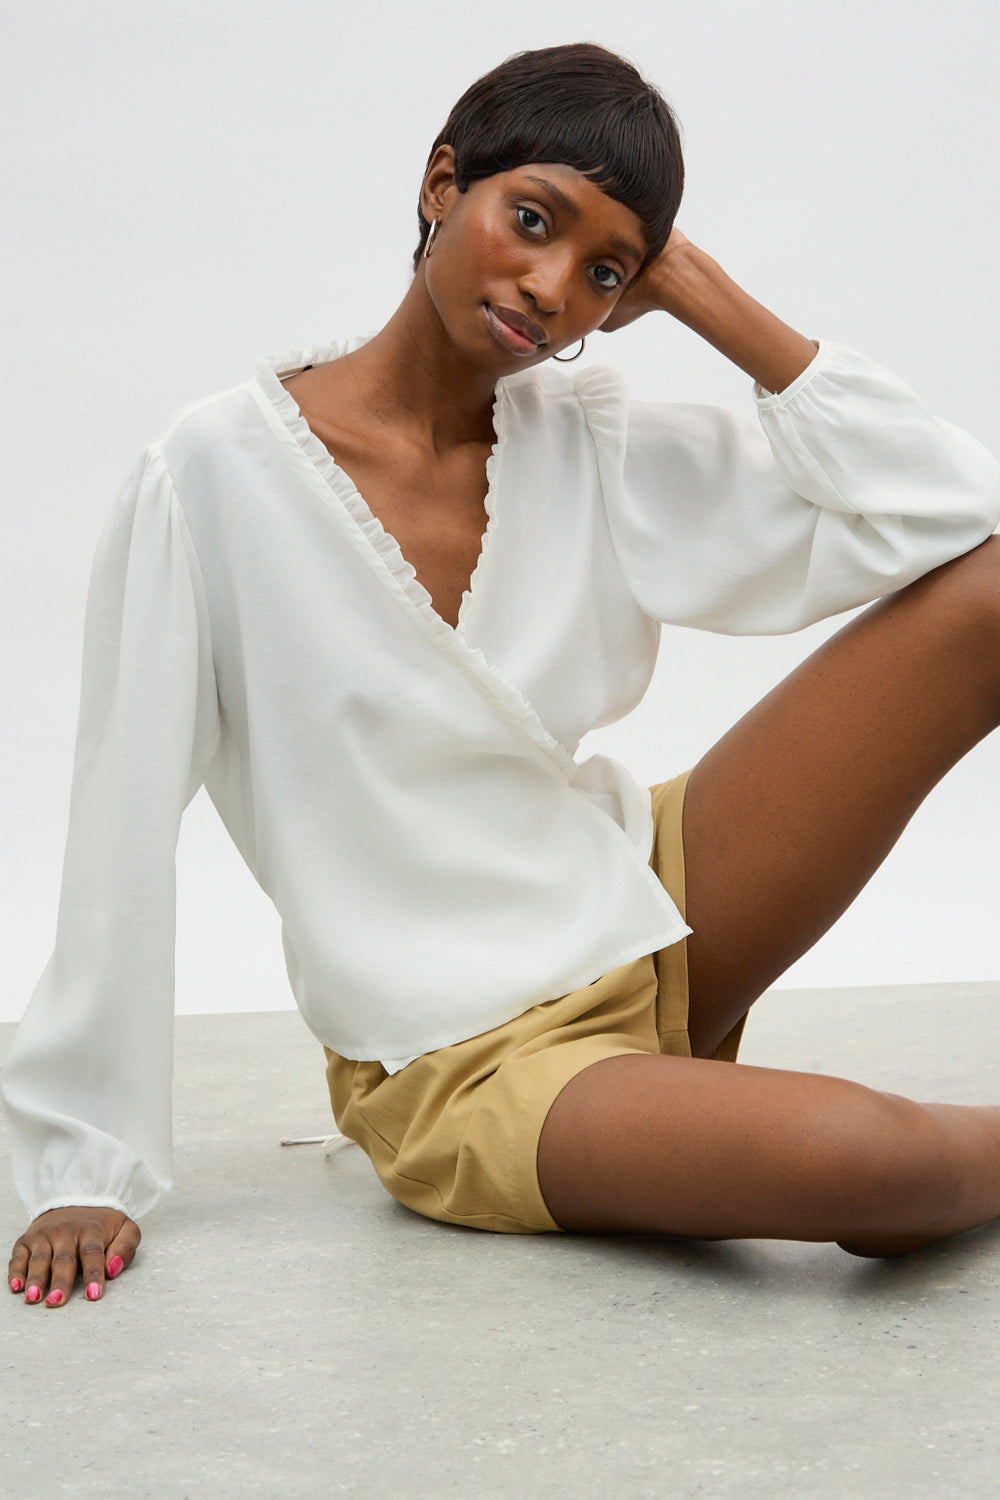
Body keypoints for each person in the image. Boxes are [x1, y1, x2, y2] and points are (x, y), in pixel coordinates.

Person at [6, 41, 1000, 1311]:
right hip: (465, 1063)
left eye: (604, 271)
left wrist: (693, 287)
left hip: (646, 902)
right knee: (878, 1169)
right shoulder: (206, 478)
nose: (552, 286)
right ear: (441, 184)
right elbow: (121, 821)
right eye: (531, 220)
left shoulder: (586, 436)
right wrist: (83, 1164)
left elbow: (951, 511)